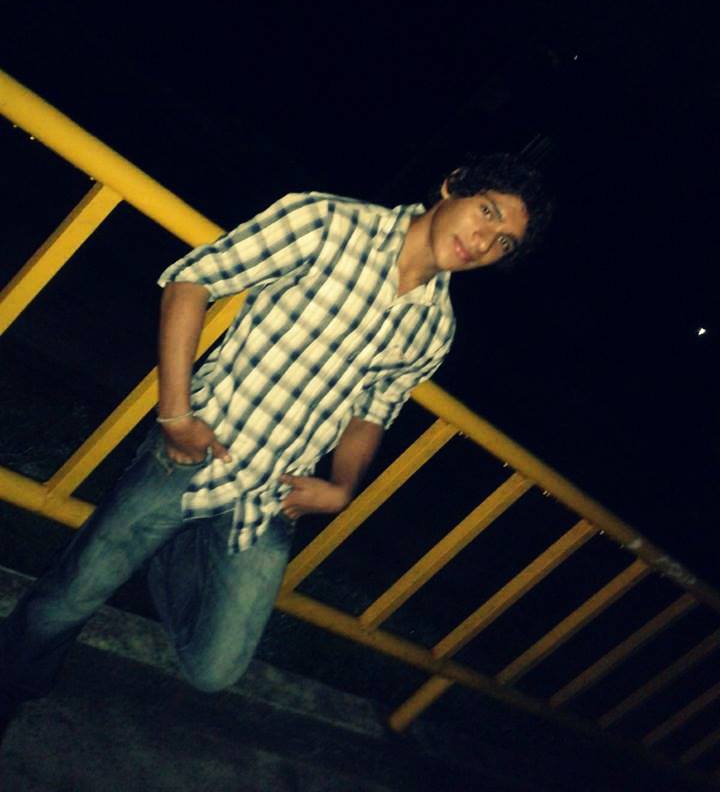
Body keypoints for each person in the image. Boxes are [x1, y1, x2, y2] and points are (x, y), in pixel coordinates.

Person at [0, 154, 552, 737]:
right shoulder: (328, 221)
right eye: (486, 212)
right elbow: (193, 281)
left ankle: (164, 549)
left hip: (274, 496)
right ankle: (15, 683)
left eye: (504, 242)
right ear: (451, 187)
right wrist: (176, 415)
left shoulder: (435, 327)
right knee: (68, 600)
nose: (483, 241)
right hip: (193, 454)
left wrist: (342, 487)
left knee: (215, 669)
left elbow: (373, 412)